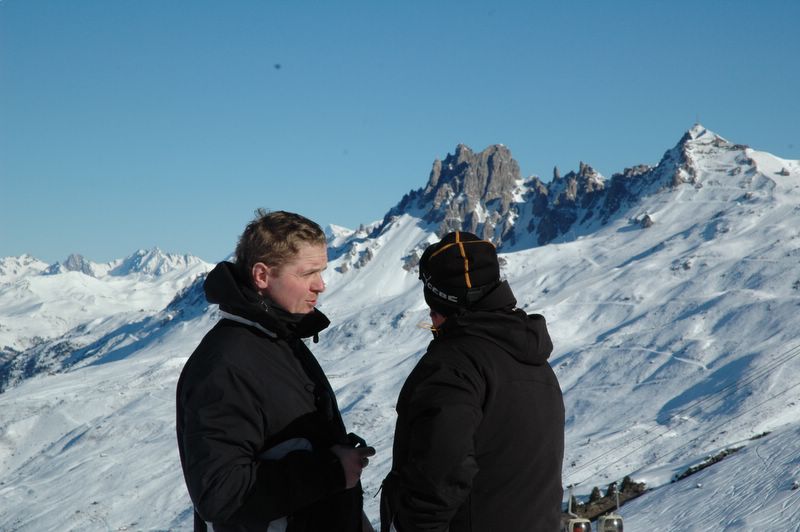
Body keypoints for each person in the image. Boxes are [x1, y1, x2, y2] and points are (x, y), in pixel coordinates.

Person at [176, 209, 376, 532]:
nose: (321, 285)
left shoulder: (280, 340)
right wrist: (331, 471)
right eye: (308, 273)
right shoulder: (225, 366)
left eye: (322, 272)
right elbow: (220, 493)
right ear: (262, 276)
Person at [380, 231, 565, 532]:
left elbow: (441, 473)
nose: (432, 319)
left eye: (434, 309)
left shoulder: (453, 365)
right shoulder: (533, 357)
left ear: (444, 306)